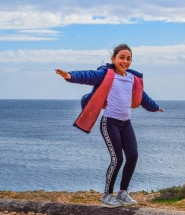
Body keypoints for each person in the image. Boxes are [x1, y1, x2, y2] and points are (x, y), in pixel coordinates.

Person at [55, 44, 163, 208]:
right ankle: (107, 195)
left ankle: (123, 192)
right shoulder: (106, 74)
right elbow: (88, 76)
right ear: (113, 59)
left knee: (133, 156)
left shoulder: (132, 78)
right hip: (110, 123)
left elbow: (142, 97)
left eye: (128, 58)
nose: (125, 61)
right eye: (121, 57)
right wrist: (69, 75)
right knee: (117, 159)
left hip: (126, 124)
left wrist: (154, 107)